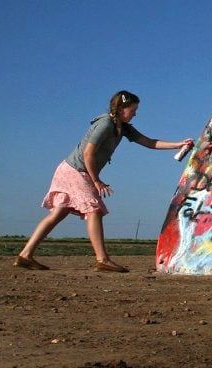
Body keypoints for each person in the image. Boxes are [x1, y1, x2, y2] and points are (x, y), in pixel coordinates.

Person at [14, 91, 194, 273]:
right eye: (133, 110)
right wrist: (96, 180)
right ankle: (102, 259)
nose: (135, 114)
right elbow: (88, 153)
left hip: (73, 170)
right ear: (122, 109)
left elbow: (150, 142)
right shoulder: (105, 124)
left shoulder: (123, 128)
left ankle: (25, 255)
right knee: (94, 210)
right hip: (76, 171)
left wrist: (178, 144)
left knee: (59, 213)